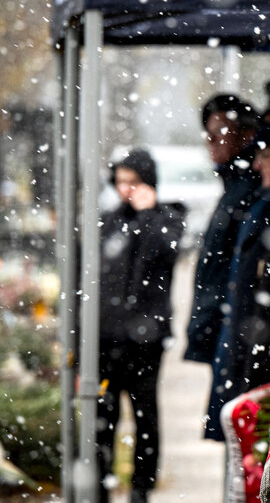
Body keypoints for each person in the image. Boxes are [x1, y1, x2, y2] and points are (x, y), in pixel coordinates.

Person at [204, 122, 270, 441]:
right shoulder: (266, 200)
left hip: (264, 335)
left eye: (268, 156)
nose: (258, 165)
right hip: (251, 334)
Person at [98, 149, 185, 503]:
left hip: (145, 341)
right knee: (102, 417)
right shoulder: (109, 222)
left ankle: (140, 489)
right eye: (120, 182)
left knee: (145, 416)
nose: (126, 190)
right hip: (107, 339)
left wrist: (148, 215)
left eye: (133, 182)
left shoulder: (167, 219)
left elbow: (163, 252)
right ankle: (101, 485)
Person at [184, 94, 259, 367]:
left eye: (220, 133)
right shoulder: (236, 186)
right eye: (208, 133)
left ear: (248, 135)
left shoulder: (247, 190)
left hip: (233, 332)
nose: (210, 141)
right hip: (225, 328)